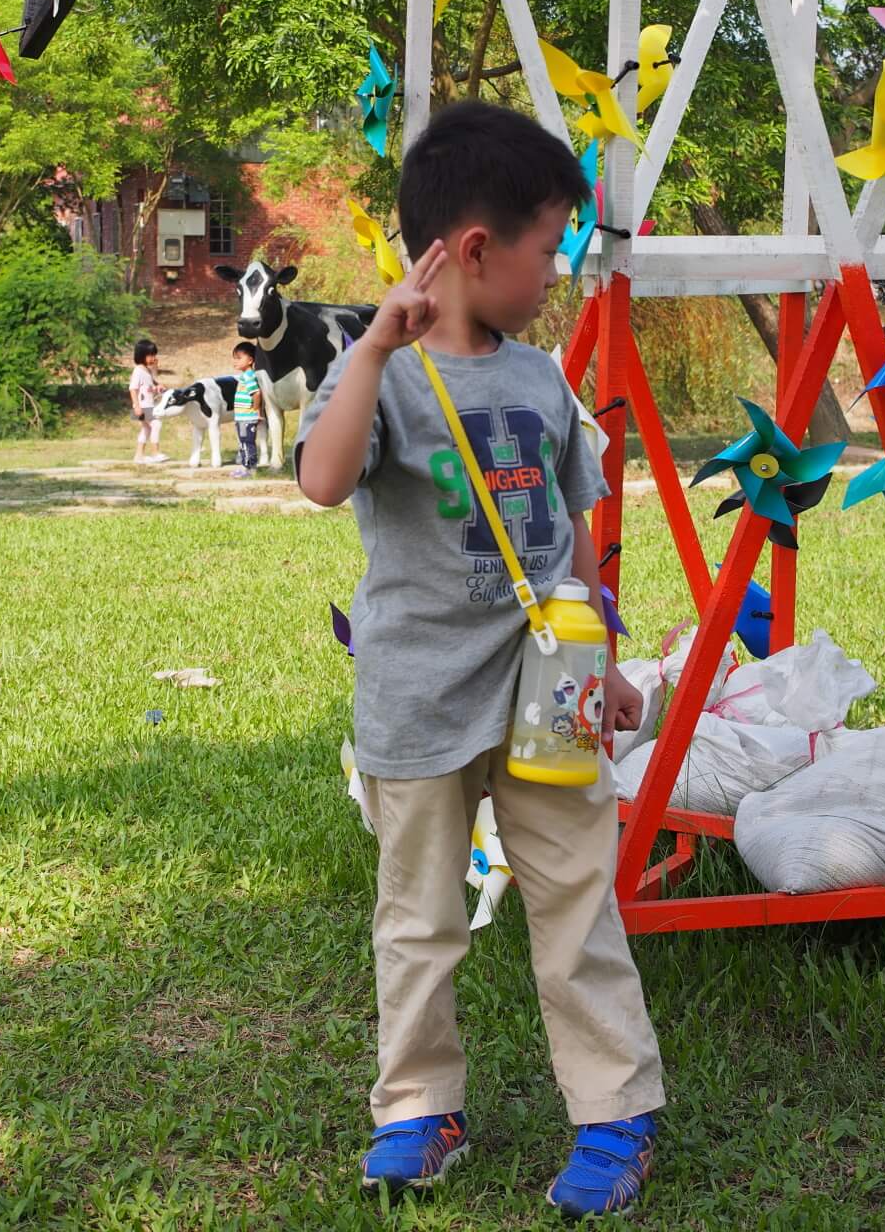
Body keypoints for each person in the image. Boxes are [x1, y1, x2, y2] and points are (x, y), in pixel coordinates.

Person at [295, 102, 665, 1219]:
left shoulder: (543, 380)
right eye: (548, 247)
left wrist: (604, 650)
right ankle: (420, 1108)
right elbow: (322, 478)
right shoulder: (387, 377)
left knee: (575, 897)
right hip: (414, 694)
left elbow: (579, 519)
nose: (557, 270)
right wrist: (372, 345)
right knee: (418, 914)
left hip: (548, 692)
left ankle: (616, 1111)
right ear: (471, 251)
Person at [129, 338, 166, 463]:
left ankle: (139, 456)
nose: (153, 358)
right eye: (150, 355)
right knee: (156, 424)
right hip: (142, 406)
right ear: (141, 355)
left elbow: (150, 386)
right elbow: (133, 389)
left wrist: (158, 388)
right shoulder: (138, 371)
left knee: (146, 429)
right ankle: (155, 453)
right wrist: (136, 406)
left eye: (154, 355)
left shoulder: (147, 371)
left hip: (148, 404)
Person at [230, 341, 263, 479]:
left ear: (250, 360)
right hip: (241, 417)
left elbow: (256, 393)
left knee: (247, 442)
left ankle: (250, 469)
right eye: (235, 358)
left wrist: (256, 411)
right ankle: (245, 466)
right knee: (243, 442)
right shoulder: (244, 375)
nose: (235, 361)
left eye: (239, 358)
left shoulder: (249, 375)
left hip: (247, 418)